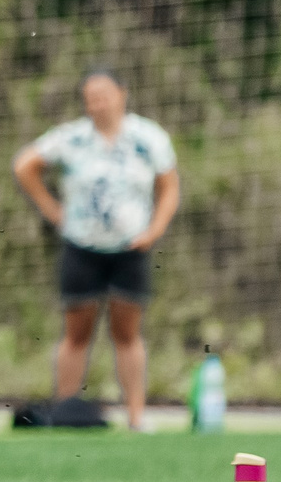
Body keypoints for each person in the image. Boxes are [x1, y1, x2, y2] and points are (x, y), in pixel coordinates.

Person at [13, 69, 179, 431]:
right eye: (90, 98)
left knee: (127, 334)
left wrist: (155, 229)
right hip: (82, 247)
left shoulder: (147, 138)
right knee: (76, 334)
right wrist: (52, 210)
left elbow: (169, 187)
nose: (97, 104)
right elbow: (25, 165)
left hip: (130, 248)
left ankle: (136, 416)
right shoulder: (72, 138)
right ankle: (64, 412)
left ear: (122, 93)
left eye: (103, 96)